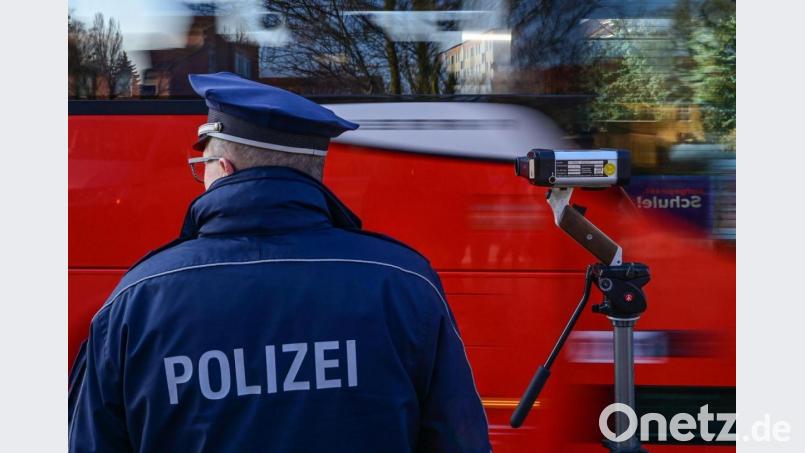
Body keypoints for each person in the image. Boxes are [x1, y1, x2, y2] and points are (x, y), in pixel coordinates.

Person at [68, 72, 490, 452]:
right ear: (313, 173)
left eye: (201, 166)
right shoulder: (405, 284)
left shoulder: (138, 299)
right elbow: (460, 439)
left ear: (224, 168)